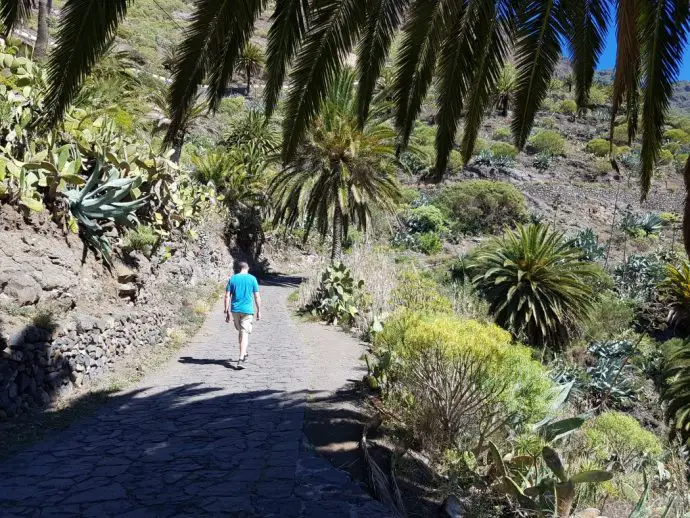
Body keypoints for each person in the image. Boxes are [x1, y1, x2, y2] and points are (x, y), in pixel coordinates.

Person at [224, 261, 261, 369]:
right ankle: (241, 359)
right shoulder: (252, 279)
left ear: (237, 269)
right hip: (247, 310)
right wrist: (259, 310)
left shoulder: (233, 279)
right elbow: (257, 296)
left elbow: (227, 296)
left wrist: (226, 311)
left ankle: (244, 353)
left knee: (241, 331)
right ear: (247, 268)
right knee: (244, 333)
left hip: (235, 310)